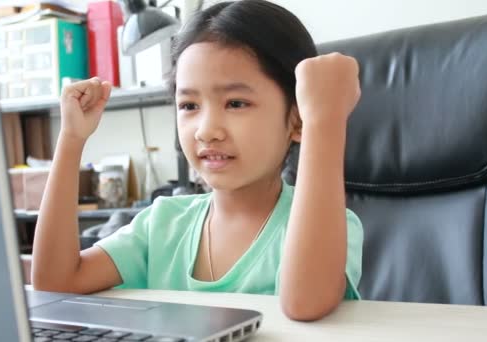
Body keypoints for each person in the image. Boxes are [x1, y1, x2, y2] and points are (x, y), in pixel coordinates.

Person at [31, 0, 363, 321]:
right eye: (189, 106)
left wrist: (325, 120)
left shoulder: (332, 226)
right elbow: (55, 281)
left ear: (296, 119)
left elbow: (304, 304)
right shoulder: (163, 224)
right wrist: (71, 139)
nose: (206, 131)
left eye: (235, 103)